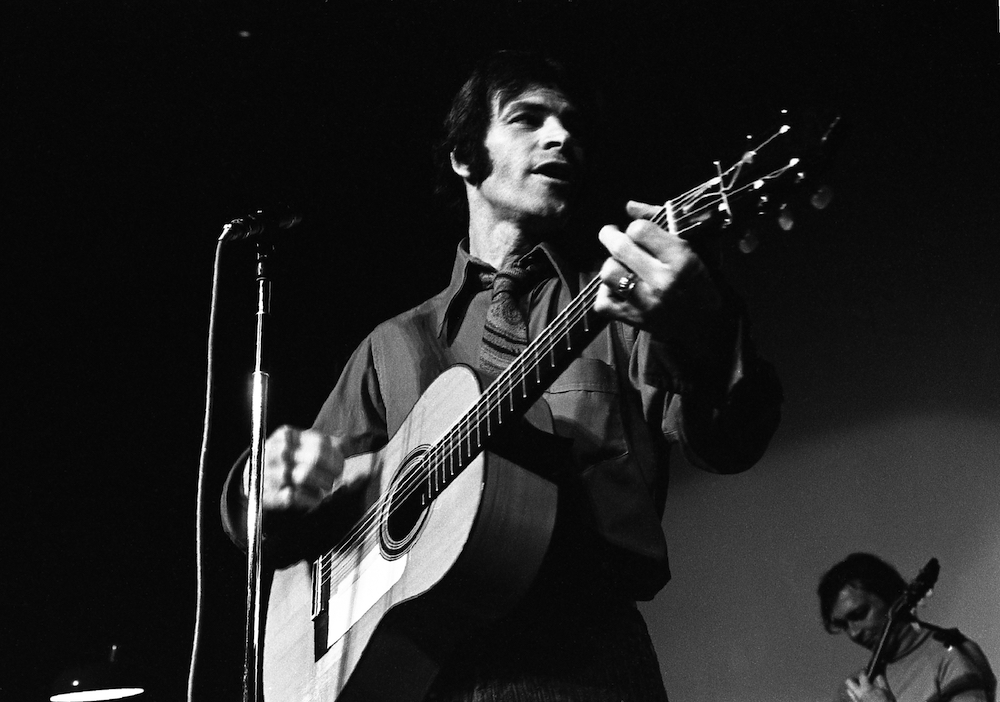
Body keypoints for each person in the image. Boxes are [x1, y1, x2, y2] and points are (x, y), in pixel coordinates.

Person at [222, 49, 783, 701]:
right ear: (466, 157)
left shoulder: (618, 303)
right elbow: (289, 530)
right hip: (423, 673)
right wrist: (271, 486)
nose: (560, 136)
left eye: (571, 124)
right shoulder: (392, 346)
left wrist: (707, 330)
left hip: (588, 666)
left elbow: (729, 443)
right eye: (528, 118)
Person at [818, 552, 996, 702]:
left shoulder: (950, 654)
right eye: (843, 626)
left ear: (891, 596)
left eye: (859, 614)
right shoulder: (857, 688)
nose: (854, 633)